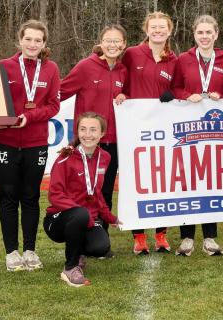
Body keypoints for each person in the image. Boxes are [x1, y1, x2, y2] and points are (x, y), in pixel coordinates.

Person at [0, 19, 61, 271]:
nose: (32, 44)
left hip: (36, 142)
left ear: (44, 43)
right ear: (19, 40)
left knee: (31, 197)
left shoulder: (51, 68)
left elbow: (54, 105)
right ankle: (11, 252)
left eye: (38, 40)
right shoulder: (3, 66)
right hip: (6, 142)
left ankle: (30, 250)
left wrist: (29, 117)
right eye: (28, 39)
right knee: (8, 196)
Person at [169, 15, 223, 256]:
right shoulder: (183, 59)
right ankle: (186, 237)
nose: (205, 36)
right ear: (194, 35)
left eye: (209, 32)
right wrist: (185, 95)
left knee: (210, 180)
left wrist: (222, 95)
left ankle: (210, 237)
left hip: (215, 130)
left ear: (216, 34)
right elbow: (173, 88)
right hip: (189, 130)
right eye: (200, 33)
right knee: (188, 180)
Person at [60, 24, 128, 238]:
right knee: (83, 190)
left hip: (113, 141)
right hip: (88, 142)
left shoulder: (123, 70)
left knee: (105, 190)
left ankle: (101, 234)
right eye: (108, 40)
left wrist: (125, 96)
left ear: (124, 44)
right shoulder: (85, 66)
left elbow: (127, 96)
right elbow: (60, 92)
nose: (112, 45)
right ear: (100, 42)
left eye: (117, 41)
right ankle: (81, 232)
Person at [122, 11, 177, 255]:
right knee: (138, 180)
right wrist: (122, 93)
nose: (157, 31)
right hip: (135, 127)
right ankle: (139, 235)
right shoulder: (132, 53)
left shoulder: (173, 59)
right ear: (146, 30)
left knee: (162, 180)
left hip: (163, 130)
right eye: (153, 27)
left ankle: (161, 234)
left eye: (162, 27)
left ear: (169, 31)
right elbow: (117, 75)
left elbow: (181, 88)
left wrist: (174, 94)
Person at [45, 112, 119, 287]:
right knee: (79, 214)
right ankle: (70, 268)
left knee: (101, 247)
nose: (87, 134)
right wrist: (82, 213)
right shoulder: (66, 157)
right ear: (77, 132)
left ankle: (79, 252)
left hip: (87, 219)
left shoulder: (105, 157)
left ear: (102, 133)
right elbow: (54, 195)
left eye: (93, 130)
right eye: (83, 129)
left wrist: (110, 217)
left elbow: (96, 191)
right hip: (58, 221)